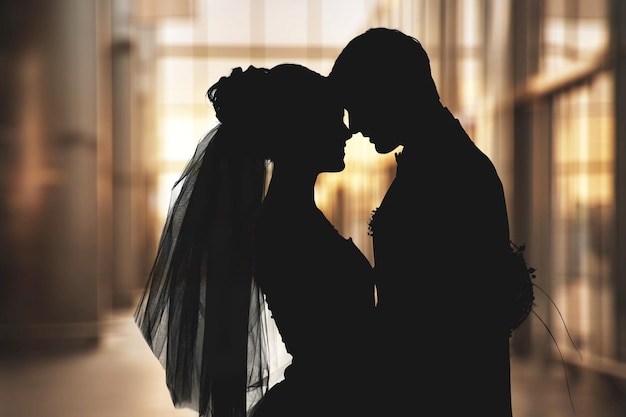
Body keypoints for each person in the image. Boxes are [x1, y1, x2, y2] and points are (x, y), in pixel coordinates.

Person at [134, 63, 377, 417]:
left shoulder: (291, 216)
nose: (346, 132)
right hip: (326, 401)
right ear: (302, 130)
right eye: (332, 119)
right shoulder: (287, 226)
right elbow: (333, 344)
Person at [330, 27, 527, 416]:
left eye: (357, 104)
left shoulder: (448, 171)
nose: (353, 125)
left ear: (388, 90)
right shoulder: (444, 160)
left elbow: (436, 320)